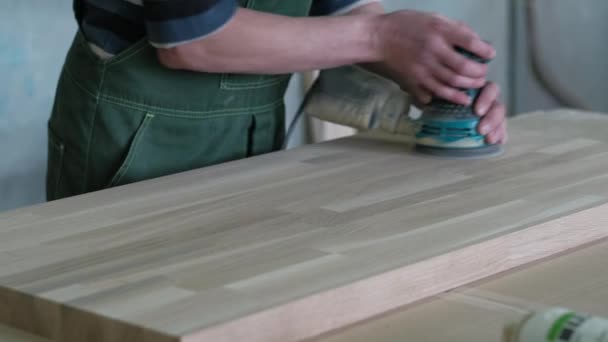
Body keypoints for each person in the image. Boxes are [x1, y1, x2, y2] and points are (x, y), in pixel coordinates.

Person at [46, 0, 507, 201]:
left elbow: (344, 7)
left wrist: (438, 76)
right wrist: (381, 38)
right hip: (134, 134)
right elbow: (189, 37)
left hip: (252, 126)